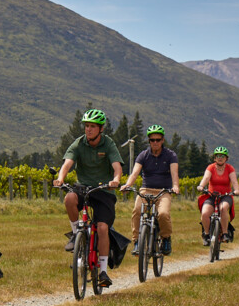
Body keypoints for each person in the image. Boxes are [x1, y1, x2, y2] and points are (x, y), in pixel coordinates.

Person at [53, 108, 123, 288]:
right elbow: (67, 163)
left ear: (101, 129)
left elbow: (117, 167)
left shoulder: (108, 144)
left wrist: (115, 180)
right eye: (87, 126)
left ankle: (103, 271)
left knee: (102, 228)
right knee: (69, 199)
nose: (88, 129)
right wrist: (61, 178)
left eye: (93, 126)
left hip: (103, 190)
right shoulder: (79, 143)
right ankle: (76, 234)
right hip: (83, 188)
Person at [120, 125, 180, 256]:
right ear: (149, 141)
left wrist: (175, 186)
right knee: (137, 210)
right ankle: (137, 241)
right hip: (146, 190)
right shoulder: (143, 155)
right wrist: (127, 185)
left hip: (164, 191)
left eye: (158, 140)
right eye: (152, 140)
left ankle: (166, 238)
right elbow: (134, 173)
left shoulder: (171, 155)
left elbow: (174, 174)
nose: (155, 142)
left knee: (163, 214)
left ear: (162, 140)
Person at [196, 146, 239, 245]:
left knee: (223, 208)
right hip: (211, 195)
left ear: (226, 158)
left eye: (222, 156)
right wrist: (201, 186)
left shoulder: (229, 168)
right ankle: (206, 234)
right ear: (215, 158)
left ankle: (225, 233)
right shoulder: (211, 167)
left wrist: (236, 190)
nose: (220, 158)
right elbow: (206, 178)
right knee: (205, 213)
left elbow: (234, 181)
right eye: (218, 156)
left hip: (225, 196)